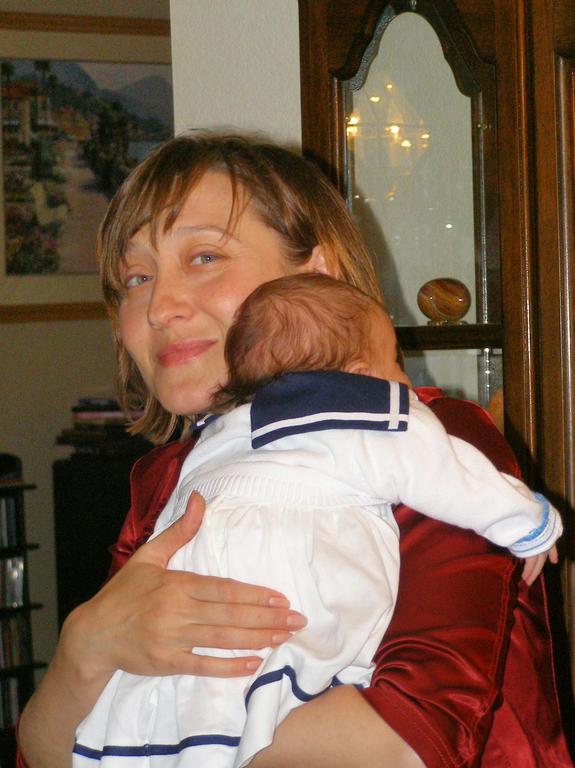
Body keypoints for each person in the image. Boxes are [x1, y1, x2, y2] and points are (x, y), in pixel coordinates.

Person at [17, 133, 573, 768]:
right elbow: (49, 752)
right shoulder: (167, 479)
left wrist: (176, 745)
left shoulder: (423, 442)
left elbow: (412, 737)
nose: (159, 307)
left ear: (316, 274)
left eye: (204, 256)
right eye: (136, 278)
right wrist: (84, 647)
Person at [72, 272, 561, 768]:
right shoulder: (375, 418)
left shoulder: (216, 440)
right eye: (395, 362)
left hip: (195, 657)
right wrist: (529, 524)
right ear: (360, 375)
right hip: (297, 616)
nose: (404, 380)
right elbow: (452, 479)